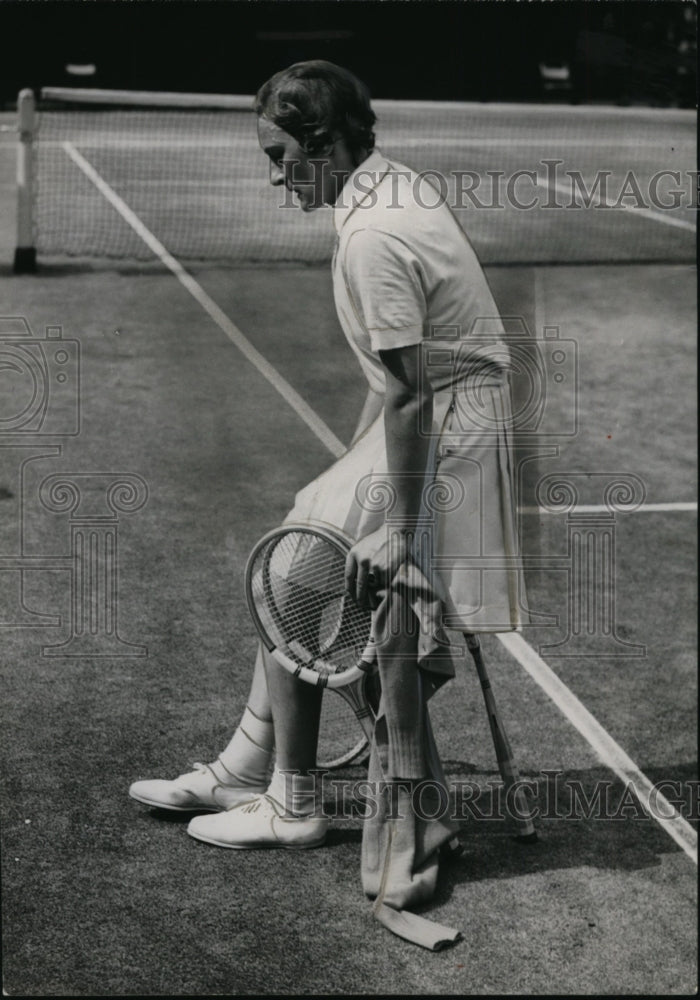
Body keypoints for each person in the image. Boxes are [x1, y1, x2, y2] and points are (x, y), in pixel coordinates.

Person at [129, 61, 528, 944]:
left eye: (281, 157)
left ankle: (291, 801)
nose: (275, 175)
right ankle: (245, 767)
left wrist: (395, 520)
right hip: (444, 408)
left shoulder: (372, 236)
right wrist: (353, 471)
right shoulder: (384, 188)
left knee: (299, 574)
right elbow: (399, 382)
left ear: (326, 142)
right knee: (300, 546)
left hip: (453, 427)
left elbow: (416, 392)